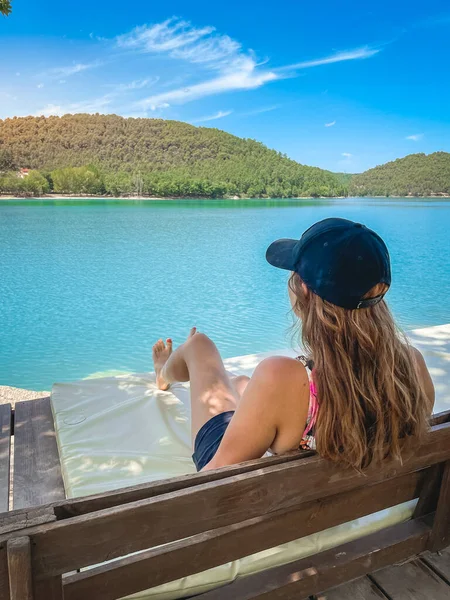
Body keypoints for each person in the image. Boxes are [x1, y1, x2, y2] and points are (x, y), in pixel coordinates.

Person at [152, 218, 435, 472]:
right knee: (241, 383)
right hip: (352, 505)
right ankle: (231, 387)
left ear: (304, 289)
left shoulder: (283, 376)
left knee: (199, 346)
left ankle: (163, 375)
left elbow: (214, 483)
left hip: (267, 504)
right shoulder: (413, 365)